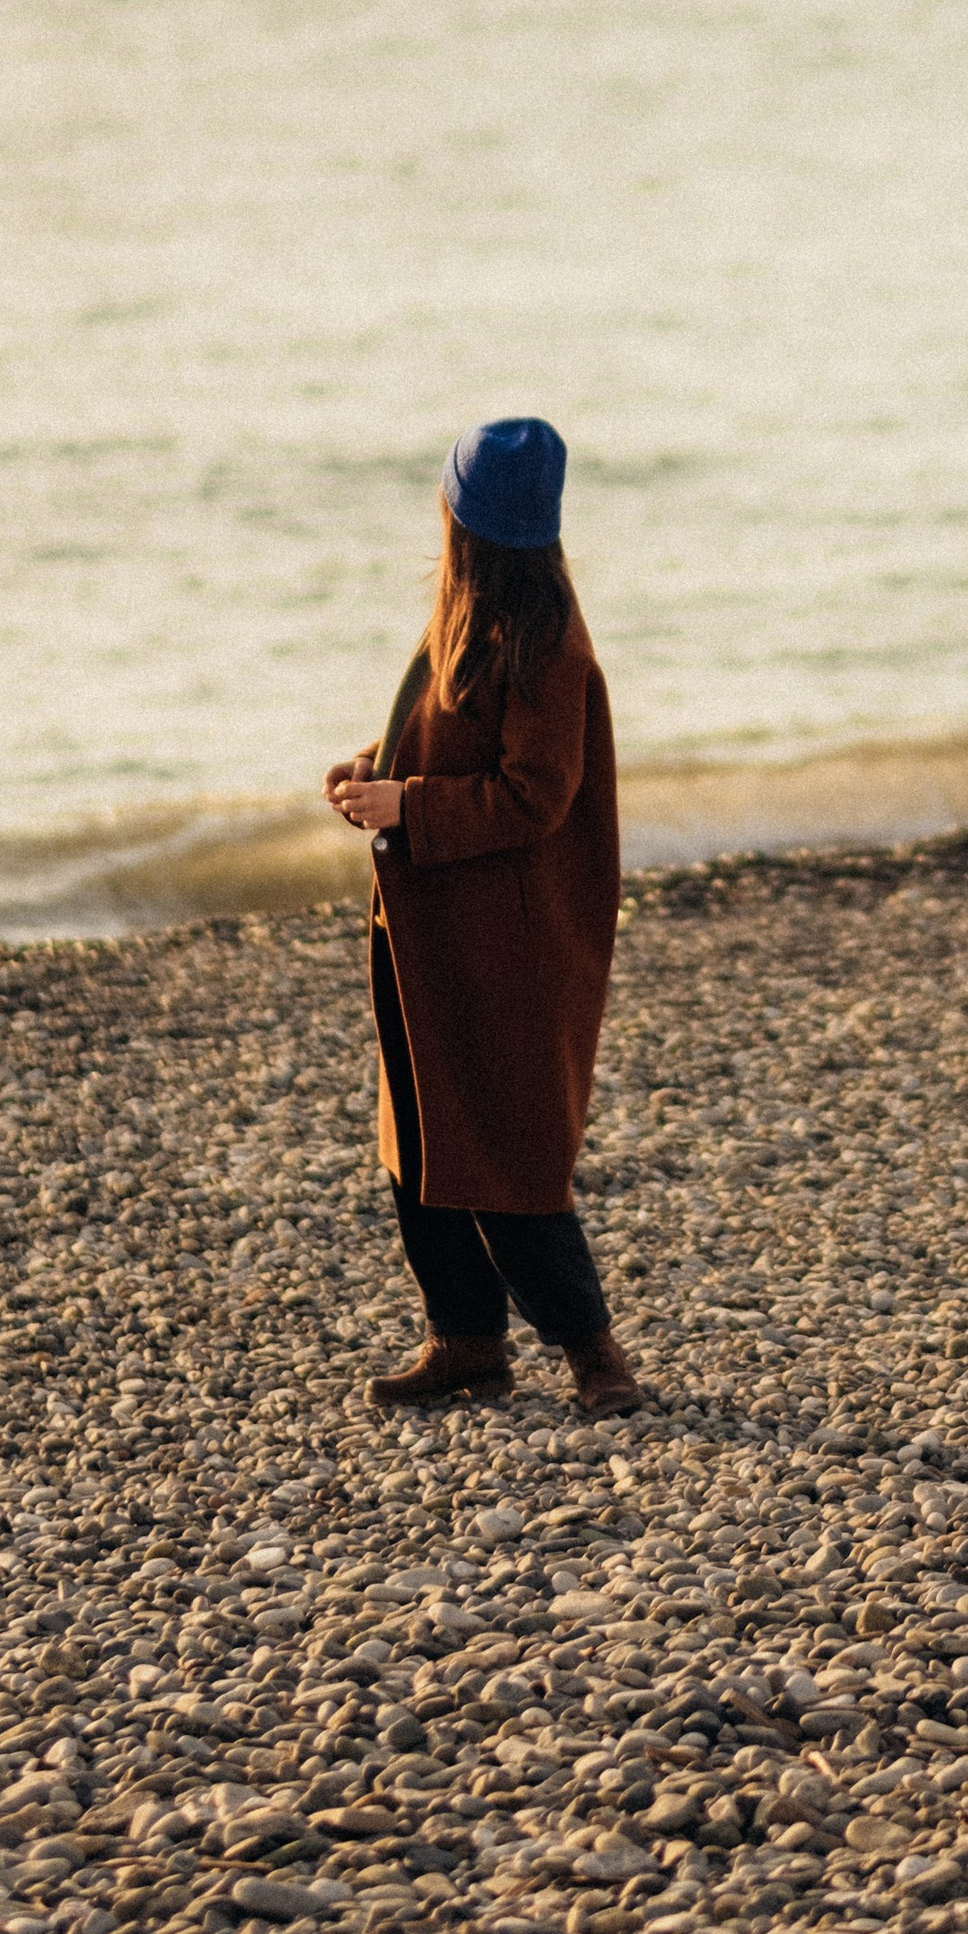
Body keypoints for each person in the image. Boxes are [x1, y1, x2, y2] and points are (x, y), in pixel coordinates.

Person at [325, 416, 642, 1417]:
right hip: (429, 925)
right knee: (420, 1147)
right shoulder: (463, 617)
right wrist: (376, 774)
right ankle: (464, 1339)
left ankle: (596, 1354)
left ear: (459, 515)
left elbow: (536, 794)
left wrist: (409, 809)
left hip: (505, 941)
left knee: (507, 1155)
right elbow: (450, 745)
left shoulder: (545, 641)